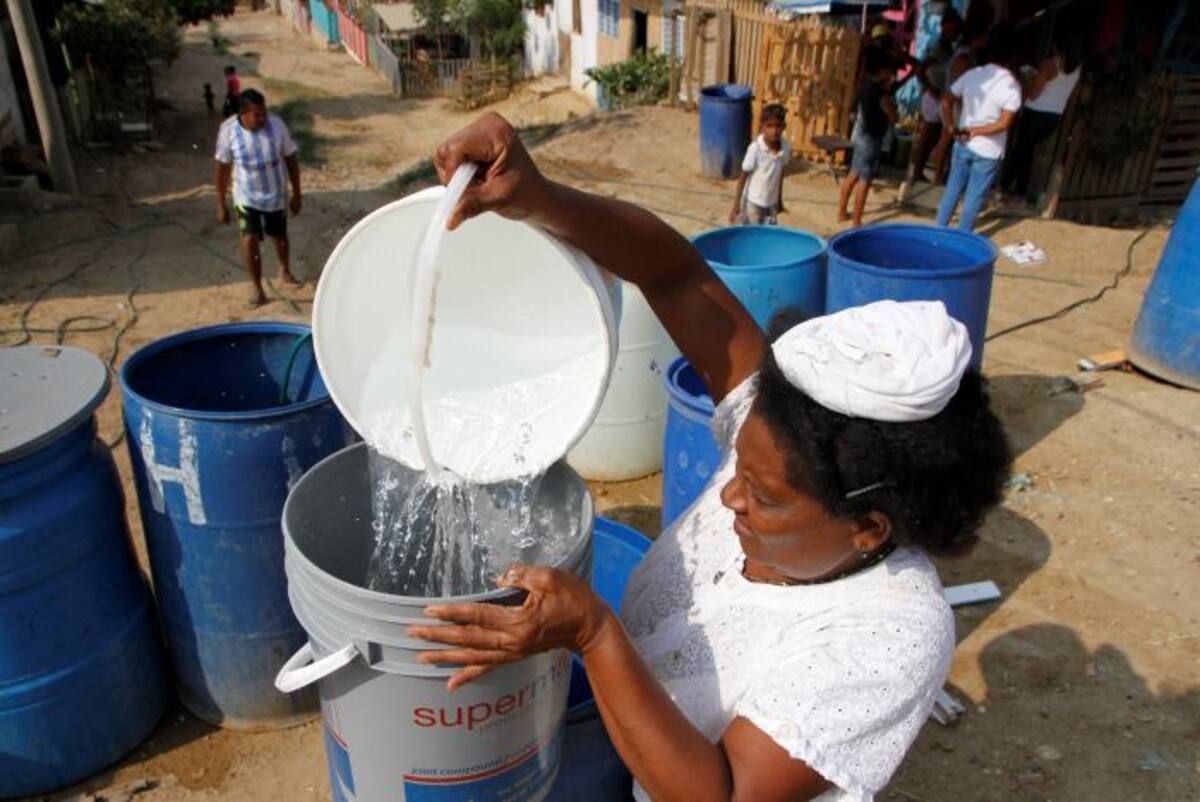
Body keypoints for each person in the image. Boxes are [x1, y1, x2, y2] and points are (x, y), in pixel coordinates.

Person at [409, 112, 1012, 802]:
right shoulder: (785, 440)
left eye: (765, 495)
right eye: (740, 468)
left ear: (868, 527)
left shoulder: (892, 633)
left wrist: (594, 632)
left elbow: (720, 794)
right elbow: (672, 273)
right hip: (626, 748)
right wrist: (541, 197)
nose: (730, 494)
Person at [214, 89, 304, 307]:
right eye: (257, 115)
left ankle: (284, 269)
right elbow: (222, 168)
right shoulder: (228, 131)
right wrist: (221, 203)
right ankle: (258, 288)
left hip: (275, 193)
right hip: (246, 196)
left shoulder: (277, 126)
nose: (263, 119)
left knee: (279, 236)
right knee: (249, 238)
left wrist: (297, 193)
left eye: (264, 113)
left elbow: (291, 159)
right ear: (242, 114)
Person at [935, 23, 1021, 231]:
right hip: (989, 150)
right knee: (973, 200)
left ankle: (938, 231)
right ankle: (962, 241)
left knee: (952, 191)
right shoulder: (1012, 85)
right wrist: (977, 131)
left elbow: (946, 100)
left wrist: (950, 126)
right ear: (1013, 56)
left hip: (963, 142)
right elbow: (1004, 124)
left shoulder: (973, 74)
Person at [999, 34, 1083, 204]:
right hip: (1054, 116)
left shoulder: (1050, 65)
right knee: (1025, 151)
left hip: (1035, 112)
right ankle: (1010, 186)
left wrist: (1028, 80)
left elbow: (1034, 94)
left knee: (1023, 150)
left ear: (1055, 48)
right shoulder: (1077, 68)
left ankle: (1012, 188)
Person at [838, 48, 897, 227]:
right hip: (871, 139)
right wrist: (891, 99)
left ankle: (842, 212)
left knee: (853, 174)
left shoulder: (865, 87)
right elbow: (894, 117)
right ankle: (857, 220)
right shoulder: (881, 94)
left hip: (861, 135)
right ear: (881, 71)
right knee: (864, 179)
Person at [910, 8, 963, 183]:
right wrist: (930, 89)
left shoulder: (949, 48)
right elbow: (920, 69)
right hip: (934, 96)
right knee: (928, 138)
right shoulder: (939, 47)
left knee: (933, 138)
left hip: (939, 95)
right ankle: (917, 172)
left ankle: (919, 172)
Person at [729, 104, 790, 225]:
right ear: (762, 127)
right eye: (769, 126)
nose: (774, 131)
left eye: (778, 126)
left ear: (784, 126)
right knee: (752, 235)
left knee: (769, 235)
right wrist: (736, 205)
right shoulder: (755, 148)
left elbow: (780, 173)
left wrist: (779, 200)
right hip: (753, 203)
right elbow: (743, 176)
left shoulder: (785, 147)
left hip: (771, 203)